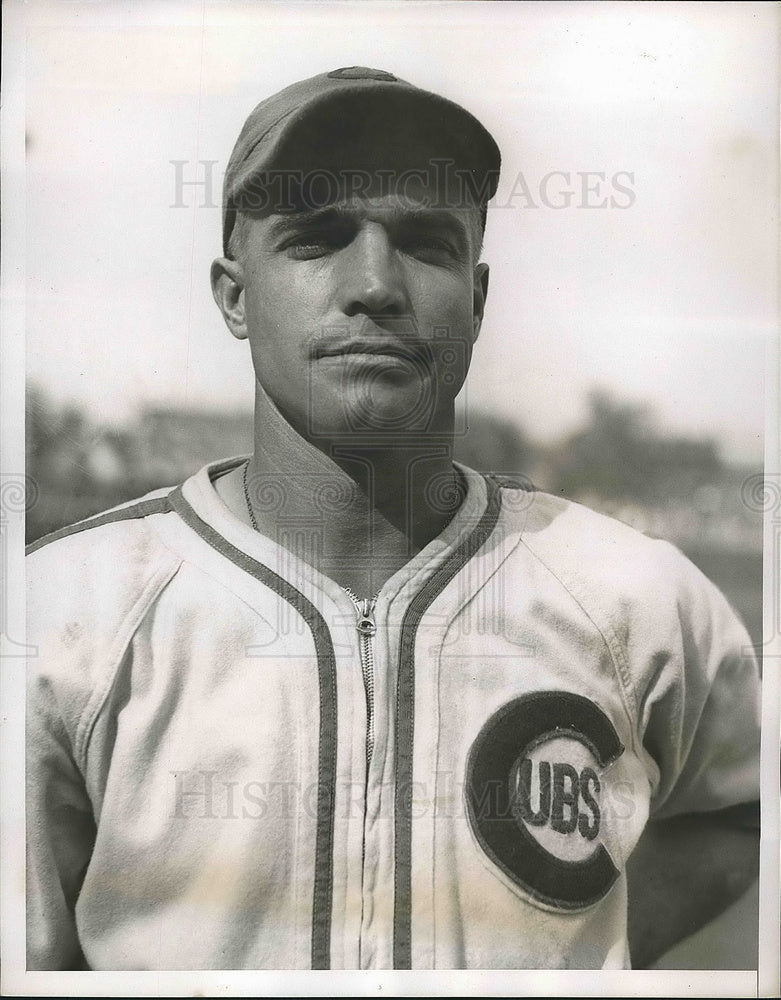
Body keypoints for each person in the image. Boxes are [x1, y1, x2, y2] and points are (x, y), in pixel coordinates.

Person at [26, 66, 760, 971]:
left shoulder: (633, 597)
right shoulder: (62, 617)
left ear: (478, 300)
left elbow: (738, 805)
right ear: (233, 296)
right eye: (316, 238)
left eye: (425, 243)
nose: (374, 284)